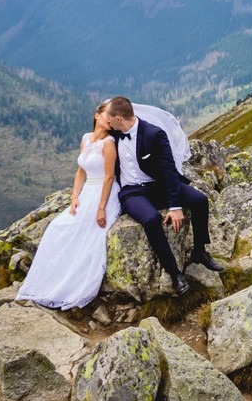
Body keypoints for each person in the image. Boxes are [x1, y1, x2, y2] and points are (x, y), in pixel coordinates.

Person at [103, 95, 223, 294]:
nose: (107, 122)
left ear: (118, 119)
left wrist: (175, 207)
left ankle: (200, 252)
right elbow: (97, 124)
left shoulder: (154, 133)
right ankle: (175, 273)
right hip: (132, 192)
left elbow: (169, 170)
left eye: (110, 119)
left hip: (157, 186)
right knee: (151, 219)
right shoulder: (112, 135)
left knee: (200, 200)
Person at [16, 101, 122, 310]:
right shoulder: (86, 139)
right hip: (88, 190)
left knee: (87, 234)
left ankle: (72, 285)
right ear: (97, 115)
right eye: (107, 115)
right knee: (57, 227)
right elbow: (81, 170)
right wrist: (75, 195)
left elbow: (109, 177)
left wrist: (101, 208)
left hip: (105, 192)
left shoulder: (109, 143)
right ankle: (48, 280)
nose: (110, 119)